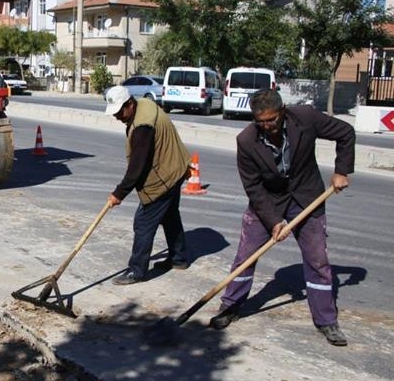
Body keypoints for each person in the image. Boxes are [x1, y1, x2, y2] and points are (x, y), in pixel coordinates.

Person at [209, 89, 355, 346]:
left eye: (271, 120)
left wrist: (341, 170)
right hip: (268, 200)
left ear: (283, 111)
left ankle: (326, 320)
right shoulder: (246, 141)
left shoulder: (306, 118)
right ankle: (230, 306)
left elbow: (345, 133)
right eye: (260, 121)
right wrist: (274, 221)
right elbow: (253, 187)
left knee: (317, 260)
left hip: (306, 197)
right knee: (246, 255)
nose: (267, 126)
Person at [104, 86, 192, 285]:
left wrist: (119, 193)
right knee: (170, 216)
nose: (117, 117)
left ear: (130, 104)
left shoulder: (143, 126)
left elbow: (137, 166)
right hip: (176, 168)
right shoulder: (145, 104)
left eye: (119, 112)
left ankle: (137, 270)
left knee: (143, 223)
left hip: (164, 178)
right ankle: (179, 258)